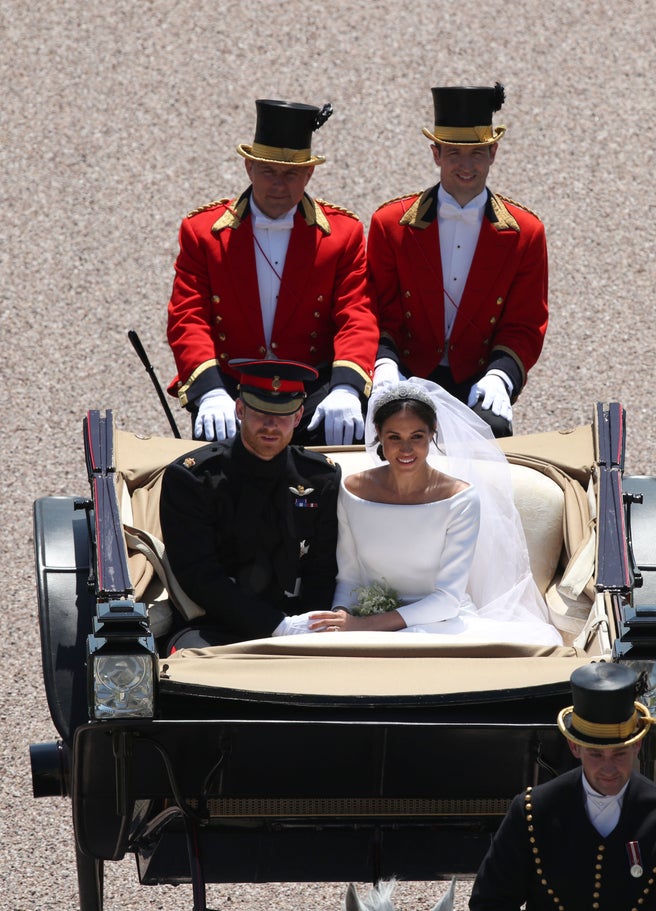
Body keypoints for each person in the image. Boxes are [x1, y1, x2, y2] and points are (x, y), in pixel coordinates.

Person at [166, 97, 379, 446]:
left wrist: (347, 386)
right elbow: (187, 316)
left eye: (292, 174)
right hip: (232, 391)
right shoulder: (203, 232)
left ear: (309, 173)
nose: (279, 184)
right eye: (268, 171)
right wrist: (209, 390)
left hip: (312, 394)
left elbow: (357, 315)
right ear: (249, 168)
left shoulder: (343, 234)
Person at [308, 380, 561, 642]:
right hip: (366, 619)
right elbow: (349, 578)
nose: (406, 449)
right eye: (394, 437)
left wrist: (366, 625)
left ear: (432, 432)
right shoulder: (353, 489)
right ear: (378, 434)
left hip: (441, 623)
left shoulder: (460, 499)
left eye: (417, 436)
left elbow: (447, 600)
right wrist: (340, 620)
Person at [367, 84, 548, 438]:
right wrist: (384, 362)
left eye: (477, 153)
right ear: (436, 154)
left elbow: (526, 323)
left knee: (492, 439)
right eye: (454, 153)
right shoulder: (390, 224)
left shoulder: (526, 232)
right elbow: (375, 305)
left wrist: (501, 376)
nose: (466, 166)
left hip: (477, 376)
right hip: (405, 370)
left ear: (493, 152)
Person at [468, 662, 656, 910]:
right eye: (596, 755)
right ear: (575, 747)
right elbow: (491, 901)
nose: (609, 768)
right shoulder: (532, 811)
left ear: (637, 746)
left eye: (619, 754)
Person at [159, 360, 342, 650]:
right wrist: (276, 626)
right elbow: (199, 574)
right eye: (261, 413)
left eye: (282, 416)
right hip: (217, 622)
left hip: (299, 620)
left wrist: (310, 623)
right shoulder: (193, 478)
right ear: (240, 410)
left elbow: (323, 566)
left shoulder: (319, 478)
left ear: (298, 417)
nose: (271, 426)